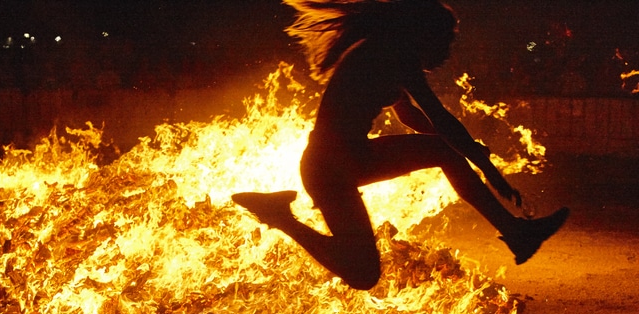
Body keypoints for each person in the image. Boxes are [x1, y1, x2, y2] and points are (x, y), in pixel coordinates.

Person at [232, 0, 568, 290]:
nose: (448, 51)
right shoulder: (392, 52)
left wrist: (462, 150)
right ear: (424, 33)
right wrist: (490, 171)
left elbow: (409, 115)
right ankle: (281, 217)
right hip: (333, 166)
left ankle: (516, 233)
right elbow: (438, 116)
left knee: (363, 273)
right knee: (363, 272)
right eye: (447, 41)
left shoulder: (384, 51)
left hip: (340, 163)